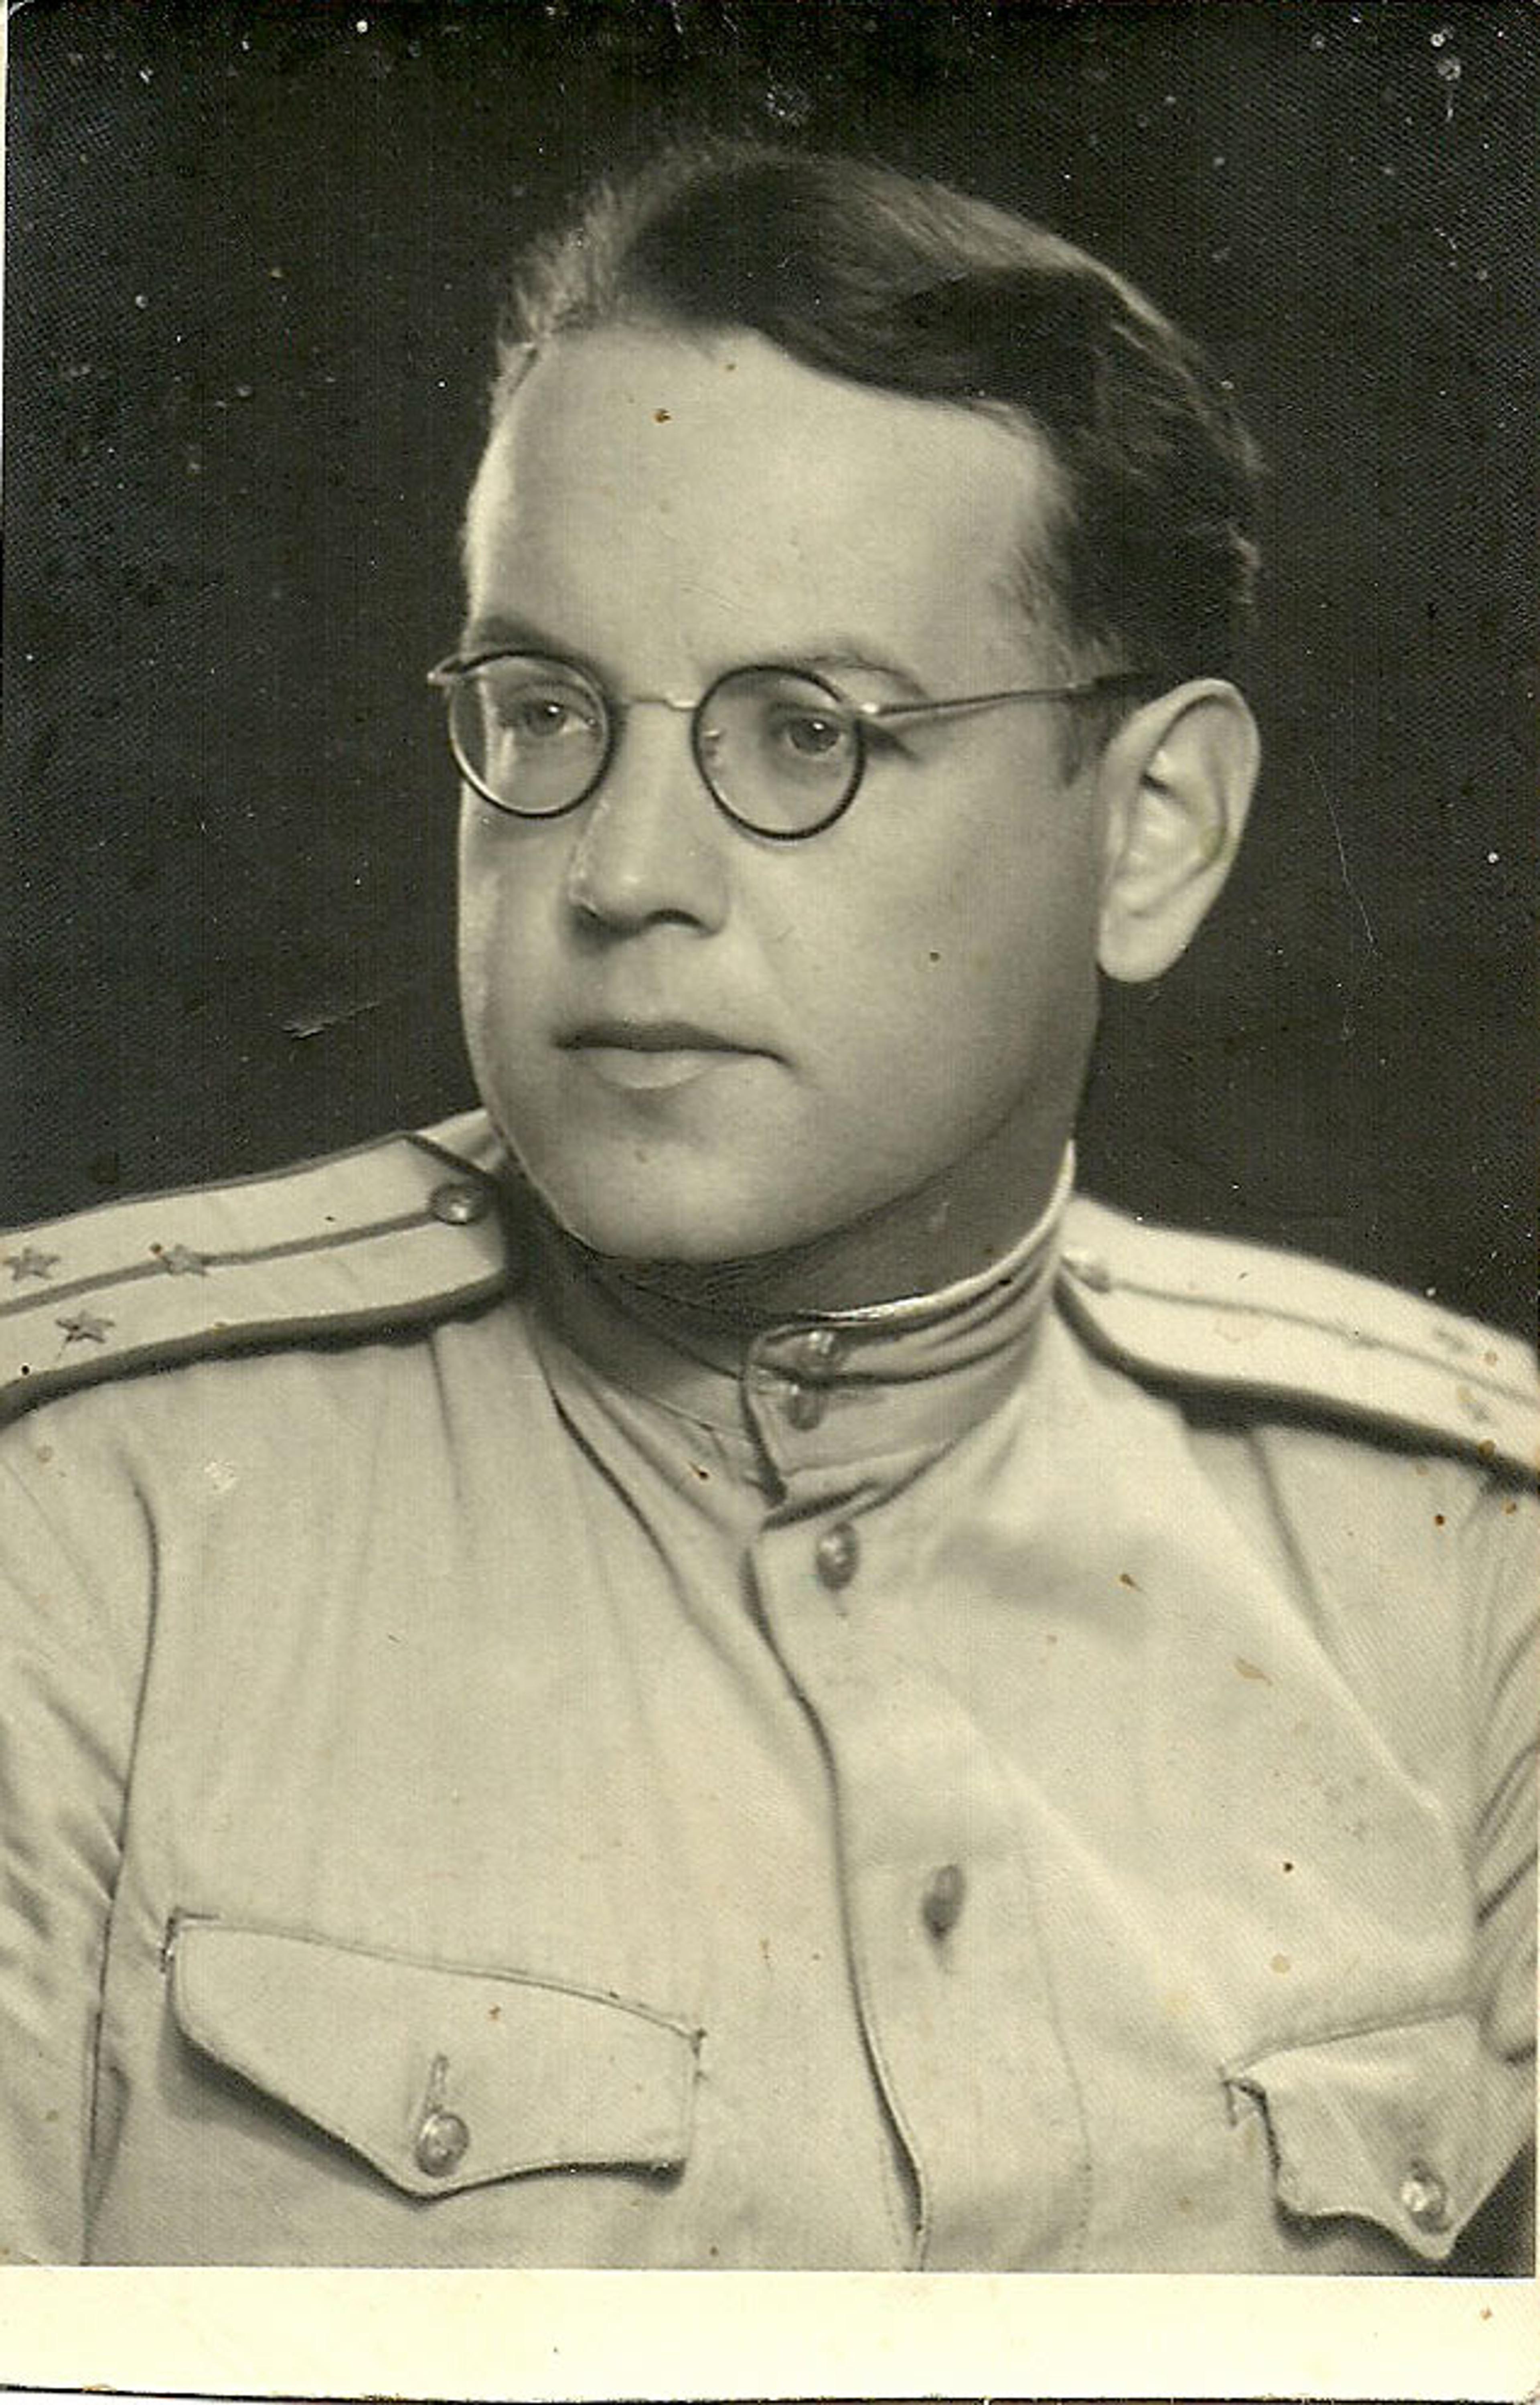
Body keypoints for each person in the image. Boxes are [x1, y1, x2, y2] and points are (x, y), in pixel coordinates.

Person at [0, 144, 1533, 2274]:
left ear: (1154, 832)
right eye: (543, 710)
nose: (621, 869)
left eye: (803, 731)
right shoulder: (81, 1521)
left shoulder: (1467, 1569)